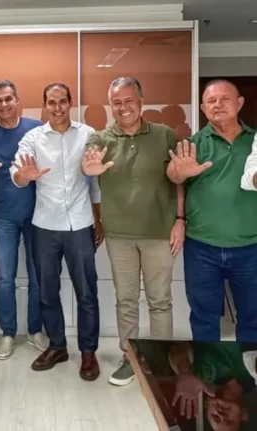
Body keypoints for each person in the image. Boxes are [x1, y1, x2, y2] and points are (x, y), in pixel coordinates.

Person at [82, 77, 186, 387]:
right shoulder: (101, 138)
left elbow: (178, 179)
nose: (123, 107)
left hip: (159, 231)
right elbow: (88, 163)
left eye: (128, 100)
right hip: (120, 235)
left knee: (160, 300)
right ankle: (131, 357)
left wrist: (180, 219)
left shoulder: (164, 135)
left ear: (141, 101)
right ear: (110, 106)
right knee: (126, 300)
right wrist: (89, 169)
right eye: (116, 102)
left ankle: (160, 359)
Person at [10, 83, 102, 381]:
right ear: (44, 105)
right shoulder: (33, 138)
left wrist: (98, 218)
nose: (58, 107)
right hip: (45, 226)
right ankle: (58, 346)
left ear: (70, 103)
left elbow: (95, 179)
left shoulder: (87, 134)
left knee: (86, 291)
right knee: (47, 291)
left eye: (63, 101)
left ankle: (88, 352)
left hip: (80, 224)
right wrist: (23, 176)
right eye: (52, 102)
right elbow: (17, 171)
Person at [167, 79, 257, 344]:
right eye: (211, 101)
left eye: (224, 99)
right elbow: (174, 175)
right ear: (203, 108)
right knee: (204, 317)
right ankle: (209, 367)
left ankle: (247, 368)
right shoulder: (193, 144)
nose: (218, 105)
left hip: (250, 247)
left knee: (252, 316)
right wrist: (179, 173)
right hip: (202, 247)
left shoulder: (255, 141)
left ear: (239, 103)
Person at [0, 79, 47, 360]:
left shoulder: (37, 130)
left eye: (8, 99)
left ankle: (35, 330)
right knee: (5, 278)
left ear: (17, 100)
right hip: (3, 217)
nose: (4, 104)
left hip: (38, 215)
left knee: (38, 277)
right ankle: (7, 333)